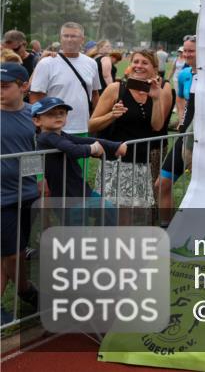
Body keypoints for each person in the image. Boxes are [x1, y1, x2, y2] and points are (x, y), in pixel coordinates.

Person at [88, 50, 172, 216]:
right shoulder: (116, 89)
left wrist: (155, 98)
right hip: (115, 163)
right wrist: (112, 115)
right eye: (136, 62)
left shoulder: (156, 92)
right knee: (113, 213)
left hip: (141, 163)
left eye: (144, 63)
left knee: (132, 215)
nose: (139, 66)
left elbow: (157, 126)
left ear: (154, 69)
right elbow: (91, 125)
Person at [1, 64, 41, 325]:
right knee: (11, 254)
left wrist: (40, 181)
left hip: (26, 194)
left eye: (5, 86)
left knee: (14, 251)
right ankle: (26, 290)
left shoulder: (34, 116)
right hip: (2, 199)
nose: (0, 91)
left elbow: (34, 152)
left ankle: (26, 291)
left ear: (24, 87)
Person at [35, 96, 124, 209]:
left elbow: (84, 140)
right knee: (77, 225)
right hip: (66, 197)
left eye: (61, 113)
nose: (57, 116)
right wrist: (93, 149)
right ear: (37, 121)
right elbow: (74, 150)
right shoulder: (47, 137)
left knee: (108, 209)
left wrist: (115, 146)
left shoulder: (62, 135)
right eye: (50, 114)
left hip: (80, 190)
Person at [28, 22, 102, 136]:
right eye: (65, 36)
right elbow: (35, 97)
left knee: (82, 153)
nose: (69, 39)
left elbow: (95, 94)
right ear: (60, 38)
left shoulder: (91, 63)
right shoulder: (46, 63)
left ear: (82, 39)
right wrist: (43, 124)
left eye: (73, 36)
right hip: (53, 130)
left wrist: (95, 120)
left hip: (82, 128)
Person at [157, 36, 196, 223]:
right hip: (185, 136)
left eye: (191, 51)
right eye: (185, 51)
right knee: (162, 184)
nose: (186, 54)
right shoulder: (185, 74)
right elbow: (180, 98)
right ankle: (167, 229)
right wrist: (181, 117)